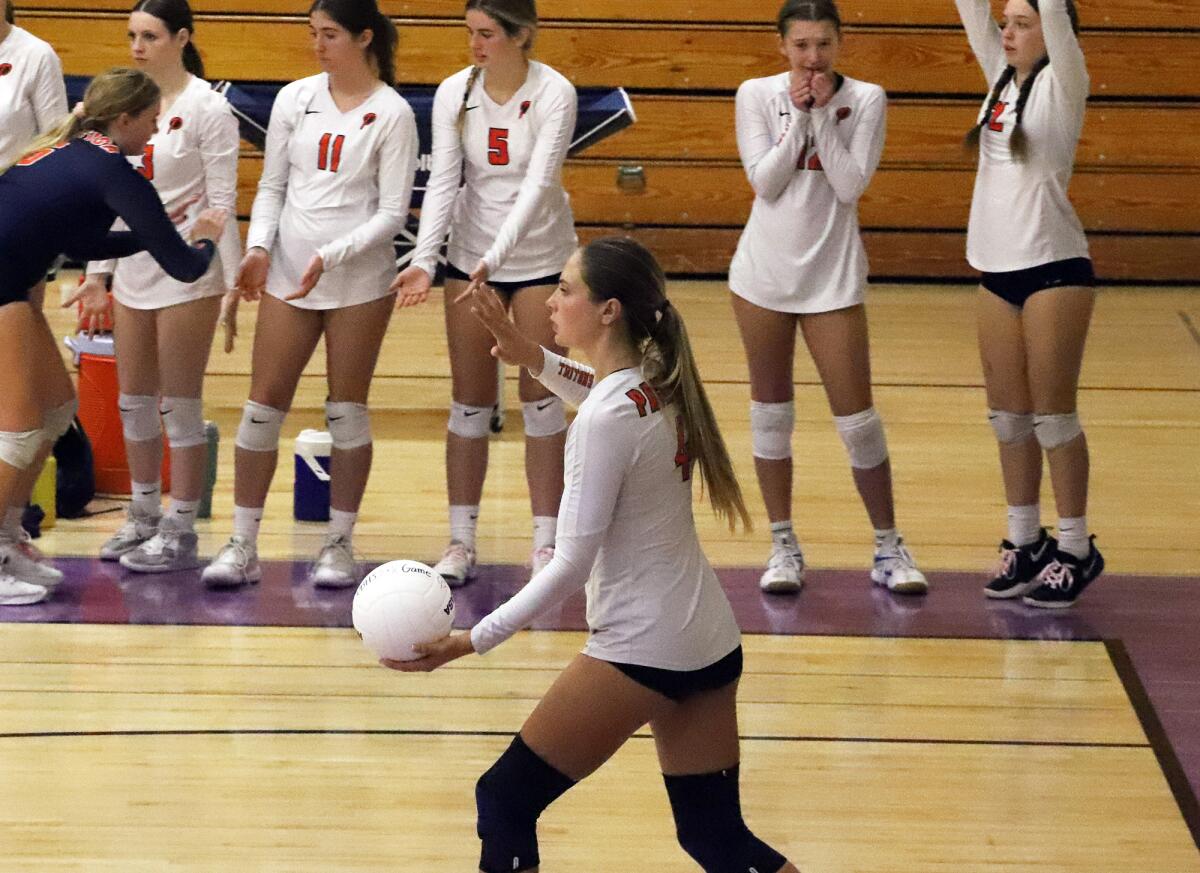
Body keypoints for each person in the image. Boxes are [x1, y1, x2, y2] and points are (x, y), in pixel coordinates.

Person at [385, 238, 799, 873]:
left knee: (504, 799)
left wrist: (473, 640)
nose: (550, 302)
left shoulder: (605, 418)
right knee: (715, 838)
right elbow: (601, 387)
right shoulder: (657, 380)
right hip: (707, 640)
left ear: (609, 310)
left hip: (642, 648)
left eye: (566, 291)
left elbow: (570, 564)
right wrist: (531, 355)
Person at [200, 0, 418, 590]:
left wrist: (333, 255)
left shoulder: (392, 113)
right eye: (314, 34)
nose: (318, 46)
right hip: (288, 277)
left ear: (364, 38)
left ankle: (340, 543)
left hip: (357, 282)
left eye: (330, 35)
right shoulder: (296, 99)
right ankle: (242, 542)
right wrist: (260, 248)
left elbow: (394, 213)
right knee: (261, 406)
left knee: (346, 410)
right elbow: (272, 186)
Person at [0, 67, 225, 604]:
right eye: (149, 121)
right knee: (21, 429)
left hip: (10, 278)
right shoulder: (115, 171)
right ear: (124, 118)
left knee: (57, 410)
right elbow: (187, 269)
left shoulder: (72, 152)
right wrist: (207, 239)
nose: (153, 133)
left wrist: (150, 235)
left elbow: (80, 236)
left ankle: (8, 536)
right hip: (3, 283)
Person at [729, 0, 926, 595]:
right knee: (771, 415)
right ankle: (783, 544)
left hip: (832, 278)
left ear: (840, 44)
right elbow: (765, 181)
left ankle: (888, 545)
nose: (813, 57)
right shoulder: (755, 95)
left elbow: (849, 185)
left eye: (824, 45)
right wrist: (798, 116)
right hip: (762, 276)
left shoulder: (866, 99)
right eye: (801, 46)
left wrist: (820, 119)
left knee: (858, 420)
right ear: (782, 47)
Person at [390, 0, 576, 587]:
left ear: (523, 37)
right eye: (470, 32)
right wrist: (426, 259)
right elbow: (445, 180)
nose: (475, 44)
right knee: (470, 401)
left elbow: (539, 184)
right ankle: (460, 542)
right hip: (470, 260)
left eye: (488, 34)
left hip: (540, 258)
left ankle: (547, 546)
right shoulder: (456, 92)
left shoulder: (553, 93)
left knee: (541, 400)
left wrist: (497, 257)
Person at [73, 0, 241, 573]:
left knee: (180, 405)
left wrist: (232, 285)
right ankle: (143, 513)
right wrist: (98, 276)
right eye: (131, 36)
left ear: (181, 38)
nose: (137, 46)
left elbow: (222, 202)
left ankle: (181, 525)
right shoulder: (124, 104)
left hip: (189, 269)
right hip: (133, 267)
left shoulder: (208, 108)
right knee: (133, 401)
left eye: (149, 35)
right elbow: (104, 198)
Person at [956, 0, 1102, 608]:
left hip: (1054, 267)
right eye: (1006, 23)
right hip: (995, 268)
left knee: (1053, 418)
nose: (1008, 32)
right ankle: (1025, 540)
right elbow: (971, 10)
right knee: (1008, 419)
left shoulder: (1066, 81)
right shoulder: (999, 76)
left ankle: (1075, 547)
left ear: (1053, 30)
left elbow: (1055, 21)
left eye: (1023, 22)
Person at [0, 0, 69, 571]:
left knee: (46, 406)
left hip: (17, 237)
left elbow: (54, 147)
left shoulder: (33, 55)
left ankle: (8, 528)